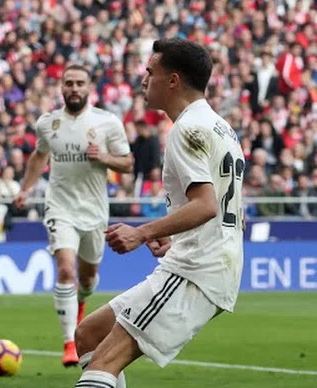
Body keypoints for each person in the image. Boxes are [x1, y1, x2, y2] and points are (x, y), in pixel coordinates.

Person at [73, 38, 245, 388]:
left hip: (197, 270)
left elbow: (206, 204)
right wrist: (177, 237)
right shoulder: (219, 126)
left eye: (150, 72)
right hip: (201, 259)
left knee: (104, 362)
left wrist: (142, 232)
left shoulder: (187, 129)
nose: (143, 80)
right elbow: (223, 207)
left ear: (173, 80)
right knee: (89, 334)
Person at [14, 64, 133, 367]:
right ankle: (70, 342)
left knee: (88, 278)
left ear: (89, 87)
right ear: (62, 87)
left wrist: (103, 157)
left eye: (80, 83)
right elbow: (39, 156)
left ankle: (80, 302)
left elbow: (127, 163)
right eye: (69, 83)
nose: (74, 88)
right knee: (66, 269)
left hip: (94, 211)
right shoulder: (48, 123)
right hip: (60, 207)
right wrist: (25, 189)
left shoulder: (107, 123)